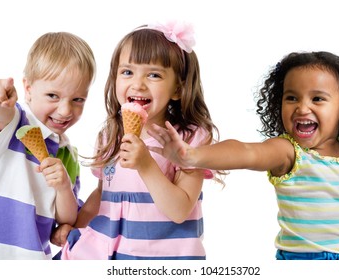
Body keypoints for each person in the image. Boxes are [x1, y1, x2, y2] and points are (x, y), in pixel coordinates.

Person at [148, 51, 339, 260]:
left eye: (317, 99)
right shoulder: (289, 151)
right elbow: (246, 151)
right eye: (291, 98)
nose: (302, 107)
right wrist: (193, 156)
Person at [50, 21, 221, 260]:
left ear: (178, 88)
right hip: (110, 253)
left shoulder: (189, 138)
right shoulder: (109, 135)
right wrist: (76, 227)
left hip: (164, 260)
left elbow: (180, 210)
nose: (138, 84)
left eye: (154, 75)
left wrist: (146, 165)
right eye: (127, 72)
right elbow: (100, 196)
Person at [0, 32, 96, 259]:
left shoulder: (68, 154)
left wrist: (62, 187)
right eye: (53, 95)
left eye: (78, 99)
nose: (65, 110)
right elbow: (1, 115)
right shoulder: (15, 123)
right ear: (28, 89)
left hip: (34, 257)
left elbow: (65, 219)